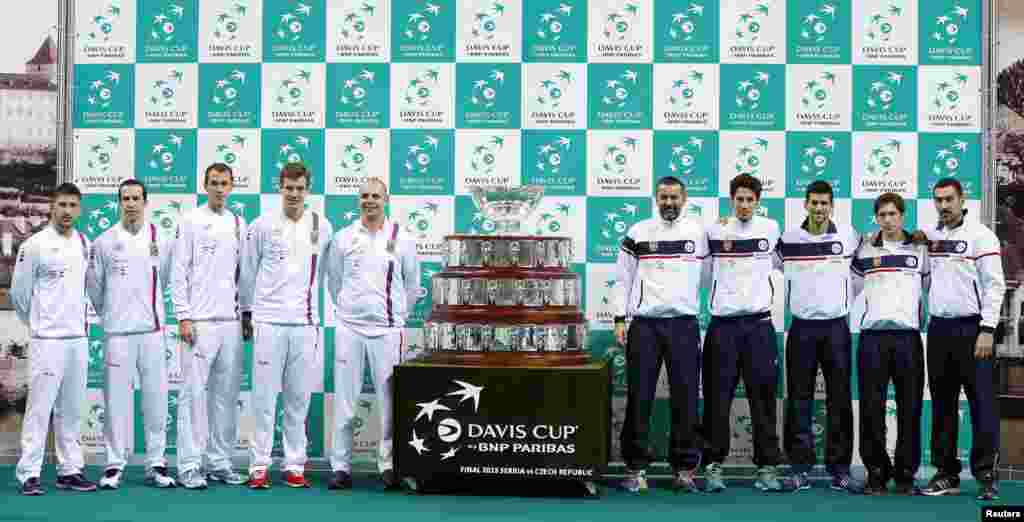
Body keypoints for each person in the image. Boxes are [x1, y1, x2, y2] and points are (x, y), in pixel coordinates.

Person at [239, 163, 332, 489]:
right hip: (268, 323)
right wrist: (247, 314)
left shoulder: (323, 226)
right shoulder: (262, 225)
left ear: (308, 190)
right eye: (289, 188)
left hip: (306, 325)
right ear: (280, 188)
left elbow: (328, 275)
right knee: (264, 400)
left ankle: (294, 465)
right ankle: (259, 466)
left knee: (298, 400)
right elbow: (247, 273)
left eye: (300, 188)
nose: (294, 194)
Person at [614, 176, 707, 494]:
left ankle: (684, 470)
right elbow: (622, 279)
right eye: (664, 197)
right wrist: (618, 319)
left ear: (685, 199)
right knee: (639, 397)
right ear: (656, 198)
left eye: (674, 197)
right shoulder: (638, 231)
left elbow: (715, 272)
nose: (669, 203)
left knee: (685, 399)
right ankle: (636, 468)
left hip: (684, 325)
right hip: (645, 325)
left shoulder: (699, 233)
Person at [325, 177, 420, 490]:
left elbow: (411, 285)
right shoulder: (343, 237)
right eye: (364, 196)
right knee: (345, 400)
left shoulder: (402, 238)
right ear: (358, 200)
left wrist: (397, 318)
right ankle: (340, 467)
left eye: (375, 196)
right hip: (349, 328)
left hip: (387, 330)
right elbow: (335, 281)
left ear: (386, 199)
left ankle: (388, 465)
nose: (370, 201)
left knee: (389, 401)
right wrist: (350, 310)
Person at [86, 179, 175, 489]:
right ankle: (114, 463)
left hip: (151, 332)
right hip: (118, 334)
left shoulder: (160, 238)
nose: (132, 203)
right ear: (119, 202)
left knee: (156, 400)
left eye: (137, 198)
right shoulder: (104, 241)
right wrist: (112, 314)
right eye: (126, 198)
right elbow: (95, 288)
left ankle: (157, 463)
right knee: (116, 402)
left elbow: (163, 279)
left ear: (145, 201)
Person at [921, 178, 1005, 501]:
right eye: (938, 200)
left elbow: (995, 286)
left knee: (982, 404)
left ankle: (986, 475)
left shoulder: (981, 236)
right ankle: (946, 474)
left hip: (974, 332)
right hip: (940, 330)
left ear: (962, 199)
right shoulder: (930, 237)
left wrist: (987, 329)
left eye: (949, 200)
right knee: (942, 405)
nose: (943, 206)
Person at [702, 173, 785, 493]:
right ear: (731, 200)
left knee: (763, 400)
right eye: (740, 199)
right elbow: (703, 271)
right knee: (717, 399)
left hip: (759, 326)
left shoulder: (771, 229)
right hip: (722, 327)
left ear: (758, 202)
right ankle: (713, 466)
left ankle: (767, 468)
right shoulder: (715, 229)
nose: (745, 205)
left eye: (751, 200)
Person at [12, 182, 96, 495]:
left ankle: (69, 470)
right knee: (39, 407)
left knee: (71, 409)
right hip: (48, 339)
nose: (67, 211)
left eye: (73, 206)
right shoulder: (34, 245)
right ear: (52, 206)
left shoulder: (84, 243)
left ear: (79, 209)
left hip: (78, 338)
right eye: (62, 205)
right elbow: (20, 294)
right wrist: (38, 324)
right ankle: (28, 473)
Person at [776, 181, 859, 492]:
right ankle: (799, 469)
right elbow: (758, 265)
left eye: (825, 203)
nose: (819, 209)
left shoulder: (849, 236)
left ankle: (840, 470)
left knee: (839, 400)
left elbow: (864, 269)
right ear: (805, 204)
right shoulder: (787, 240)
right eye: (814, 203)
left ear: (832, 206)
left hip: (837, 327)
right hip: (801, 328)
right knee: (799, 400)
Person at [171, 163, 248, 489]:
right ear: (205, 185)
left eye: (225, 183)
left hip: (230, 324)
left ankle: (220, 462)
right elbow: (178, 271)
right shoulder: (190, 221)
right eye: (214, 183)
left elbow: (243, 274)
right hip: (198, 323)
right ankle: (189, 465)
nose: (219, 188)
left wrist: (246, 313)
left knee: (226, 397)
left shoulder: (237, 223)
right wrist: (183, 316)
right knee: (192, 396)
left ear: (232, 186)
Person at [851, 192, 929, 496]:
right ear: (876, 218)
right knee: (871, 409)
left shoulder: (921, 248)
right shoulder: (865, 249)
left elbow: (931, 285)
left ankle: (906, 474)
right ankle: (876, 474)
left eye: (892, 214)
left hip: (908, 337)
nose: (887, 220)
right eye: (882, 215)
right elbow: (849, 284)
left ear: (902, 215)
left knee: (910, 408)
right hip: (872, 338)